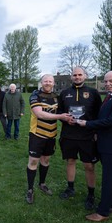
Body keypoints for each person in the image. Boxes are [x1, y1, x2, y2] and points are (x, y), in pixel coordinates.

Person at [76, 71, 112, 222]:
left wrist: (87, 124)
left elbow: (111, 121)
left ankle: (102, 213)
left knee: (109, 179)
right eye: (106, 81)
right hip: (109, 144)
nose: (108, 84)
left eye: (111, 81)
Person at [57, 67, 102, 210]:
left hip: (87, 136)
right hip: (69, 135)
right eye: (74, 75)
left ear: (85, 76)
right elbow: (59, 113)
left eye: (80, 74)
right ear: (71, 77)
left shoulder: (94, 93)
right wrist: (65, 120)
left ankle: (91, 194)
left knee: (89, 166)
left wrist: (95, 131)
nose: (77, 77)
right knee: (70, 161)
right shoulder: (64, 93)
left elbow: (99, 115)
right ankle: (70, 188)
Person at [25, 74, 72, 204]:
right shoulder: (35, 95)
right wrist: (60, 117)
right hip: (37, 134)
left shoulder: (57, 97)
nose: (48, 83)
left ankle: (42, 183)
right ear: (41, 82)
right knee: (34, 161)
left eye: (50, 81)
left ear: (53, 83)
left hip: (51, 135)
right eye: (45, 81)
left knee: (45, 160)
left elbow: (65, 111)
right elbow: (39, 113)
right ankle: (30, 190)